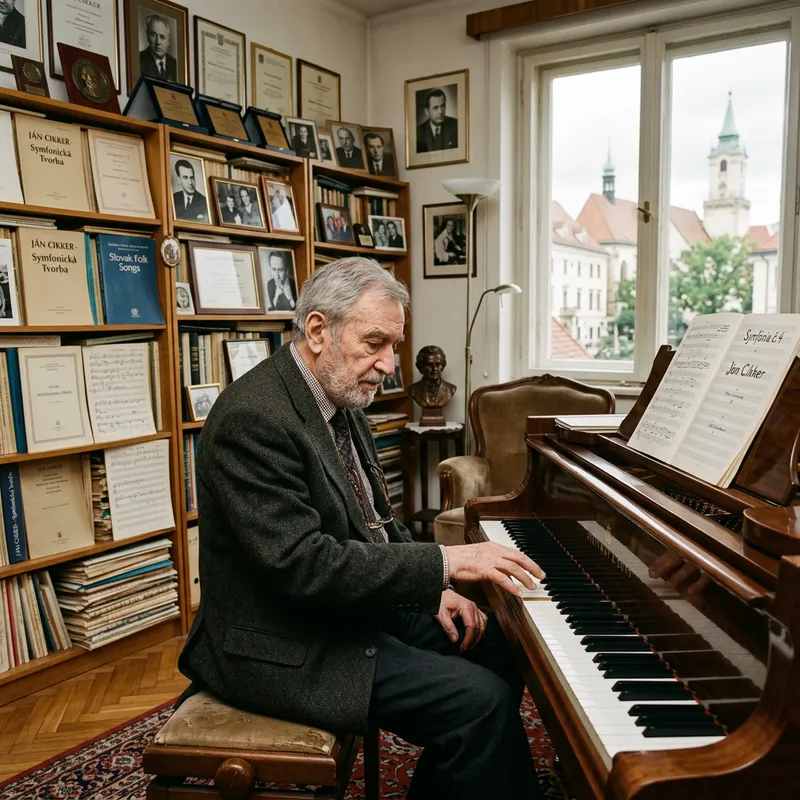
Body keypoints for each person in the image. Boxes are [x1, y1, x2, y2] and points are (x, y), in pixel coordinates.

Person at [178, 257, 544, 800]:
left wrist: (434, 592)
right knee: (480, 703)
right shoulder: (252, 419)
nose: (390, 365)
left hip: (342, 609)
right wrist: (445, 562)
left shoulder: (339, 399)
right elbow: (303, 566)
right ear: (319, 330)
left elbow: (376, 525)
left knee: (496, 644)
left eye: (393, 346)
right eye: (375, 343)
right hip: (280, 642)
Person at [409, 345, 457, 410]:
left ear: (442, 366)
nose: (434, 369)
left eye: (438, 365)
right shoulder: (413, 389)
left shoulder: (450, 389)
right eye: (429, 365)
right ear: (421, 367)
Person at [417, 88, 459, 152]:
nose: (440, 112)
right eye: (435, 107)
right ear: (427, 111)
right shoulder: (418, 132)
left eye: (442, 106)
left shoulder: (456, 126)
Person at [139, 14, 177, 82]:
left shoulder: (175, 64)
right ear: (147, 36)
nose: (158, 42)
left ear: (168, 41)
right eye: (153, 35)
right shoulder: (139, 61)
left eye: (162, 37)